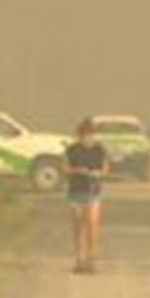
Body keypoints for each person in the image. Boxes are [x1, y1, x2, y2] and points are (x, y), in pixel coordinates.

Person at [65, 117, 110, 274]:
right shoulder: (72, 149)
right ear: (79, 135)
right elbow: (65, 168)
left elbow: (105, 170)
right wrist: (77, 170)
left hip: (93, 190)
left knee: (92, 224)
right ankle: (79, 259)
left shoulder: (100, 150)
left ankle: (91, 259)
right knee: (78, 227)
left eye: (90, 134)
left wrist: (98, 173)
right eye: (84, 134)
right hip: (75, 191)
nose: (87, 137)